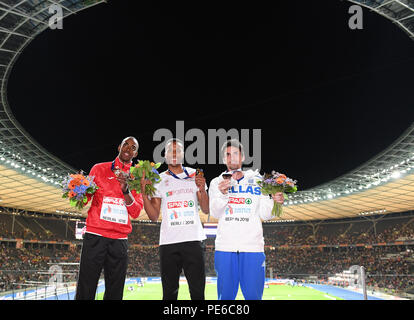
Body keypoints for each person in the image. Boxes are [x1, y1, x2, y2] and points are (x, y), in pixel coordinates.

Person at [209, 139, 284, 300]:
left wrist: (275, 201)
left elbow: (265, 214)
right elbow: (214, 212)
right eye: (227, 155)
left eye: (235, 153)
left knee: (253, 297)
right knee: (225, 298)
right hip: (225, 247)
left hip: (253, 248)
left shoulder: (258, 181)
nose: (231, 158)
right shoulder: (216, 183)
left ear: (243, 157)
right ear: (223, 159)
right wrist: (223, 194)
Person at [75, 137, 144, 300]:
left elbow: (135, 212)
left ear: (136, 153)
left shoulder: (137, 177)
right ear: (119, 146)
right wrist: (78, 189)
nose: (128, 148)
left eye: (133, 147)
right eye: (126, 144)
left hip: (119, 240)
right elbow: (83, 200)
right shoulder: (99, 169)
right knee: (86, 286)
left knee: (115, 290)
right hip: (95, 235)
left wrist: (126, 190)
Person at [140, 138, 209, 300]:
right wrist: (144, 193)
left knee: (198, 293)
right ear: (165, 155)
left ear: (183, 155)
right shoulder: (158, 180)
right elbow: (153, 217)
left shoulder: (194, 174)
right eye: (170, 151)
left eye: (177, 151)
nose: (174, 154)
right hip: (168, 242)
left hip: (194, 240)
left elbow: (206, 209)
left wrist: (202, 190)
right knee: (169, 294)